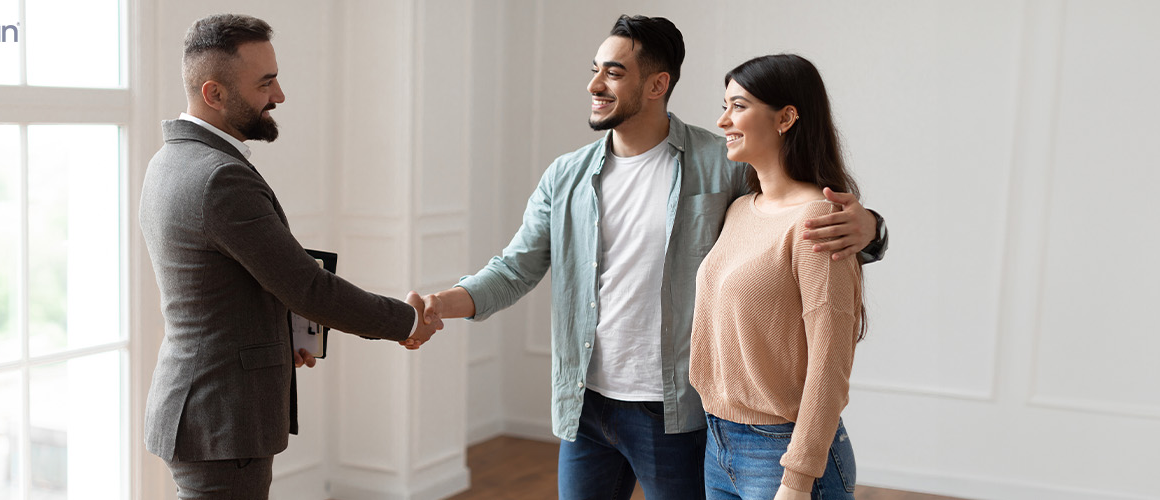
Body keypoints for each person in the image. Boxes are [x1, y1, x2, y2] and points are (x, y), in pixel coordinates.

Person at [404, 15, 888, 500]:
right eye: (595, 69)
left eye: (614, 73)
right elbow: (515, 268)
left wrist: (870, 227)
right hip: (586, 405)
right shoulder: (565, 176)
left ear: (658, 84)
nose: (595, 84)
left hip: (675, 412)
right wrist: (444, 303)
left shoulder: (722, 163)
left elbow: (796, 213)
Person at [139, 14, 438, 499]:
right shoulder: (219, 178)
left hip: (203, 408)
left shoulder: (170, 161)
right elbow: (307, 288)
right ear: (214, 93)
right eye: (265, 82)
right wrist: (406, 321)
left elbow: (220, 287)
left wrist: (281, 336)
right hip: (221, 418)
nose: (279, 95)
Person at [691, 54, 864, 500]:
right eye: (724, 105)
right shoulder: (738, 209)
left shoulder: (817, 220)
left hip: (781, 454)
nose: (722, 119)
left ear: (786, 117)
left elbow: (830, 365)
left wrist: (798, 478)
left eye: (738, 106)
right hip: (719, 442)